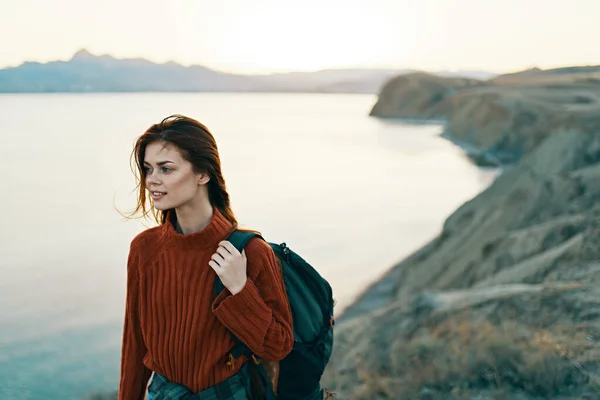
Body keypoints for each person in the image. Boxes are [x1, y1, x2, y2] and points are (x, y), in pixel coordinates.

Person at [118, 114, 294, 400]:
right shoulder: (144, 249)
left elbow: (278, 346)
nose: (152, 180)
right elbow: (134, 345)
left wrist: (240, 290)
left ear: (203, 173)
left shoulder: (251, 253)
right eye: (148, 169)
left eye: (166, 169)